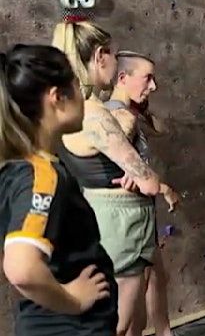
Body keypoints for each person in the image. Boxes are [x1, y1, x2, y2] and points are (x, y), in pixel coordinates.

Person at [51, 20, 167, 336]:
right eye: (113, 55)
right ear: (101, 55)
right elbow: (149, 183)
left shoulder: (65, 108)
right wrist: (141, 177)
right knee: (115, 325)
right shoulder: (95, 113)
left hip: (98, 215)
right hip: (121, 226)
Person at [0, 44, 117, 335]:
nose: (83, 95)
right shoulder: (40, 176)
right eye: (77, 87)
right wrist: (74, 302)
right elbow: (21, 268)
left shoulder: (17, 171)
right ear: (57, 98)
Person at [108, 51, 180, 336]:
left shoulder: (130, 114)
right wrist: (162, 187)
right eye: (147, 78)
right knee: (127, 311)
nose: (154, 85)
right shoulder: (116, 116)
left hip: (141, 214)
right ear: (123, 78)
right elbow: (119, 174)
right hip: (128, 220)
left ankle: (164, 333)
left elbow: (162, 130)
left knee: (156, 278)